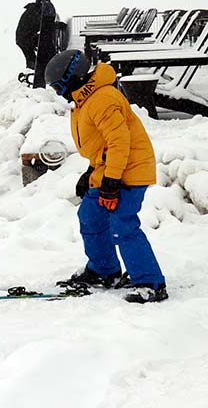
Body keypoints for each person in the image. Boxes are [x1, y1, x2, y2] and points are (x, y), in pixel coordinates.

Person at [44, 49, 167, 304]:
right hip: (111, 167)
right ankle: (104, 271)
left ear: (72, 78)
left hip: (130, 171)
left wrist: (111, 181)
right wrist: (92, 172)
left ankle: (151, 283)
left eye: (58, 87)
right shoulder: (85, 99)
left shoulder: (103, 99)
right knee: (90, 215)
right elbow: (102, 146)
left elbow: (119, 142)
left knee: (123, 224)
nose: (58, 93)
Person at [15, 0, 59, 87]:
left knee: (31, 57)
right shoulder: (35, 11)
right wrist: (55, 25)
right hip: (26, 38)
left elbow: (40, 24)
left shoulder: (33, 9)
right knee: (41, 53)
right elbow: (43, 25)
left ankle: (31, 75)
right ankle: (37, 74)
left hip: (23, 38)